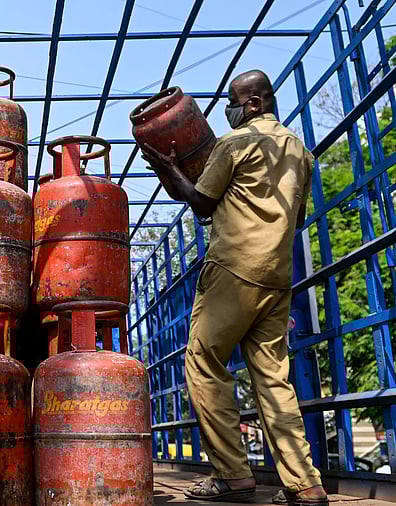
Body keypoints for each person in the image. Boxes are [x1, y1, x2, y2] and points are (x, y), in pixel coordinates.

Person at [140, 69, 328, 505]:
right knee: (273, 378)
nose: (230, 111)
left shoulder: (236, 143)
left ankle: (232, 475)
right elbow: (294, 219)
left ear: (255, 104)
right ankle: (306, 484)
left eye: (235, 102)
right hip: (277, 278)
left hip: (234, 269)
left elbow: (202, 201)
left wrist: (169, 168)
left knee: (203, 363)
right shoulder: (302, 153)